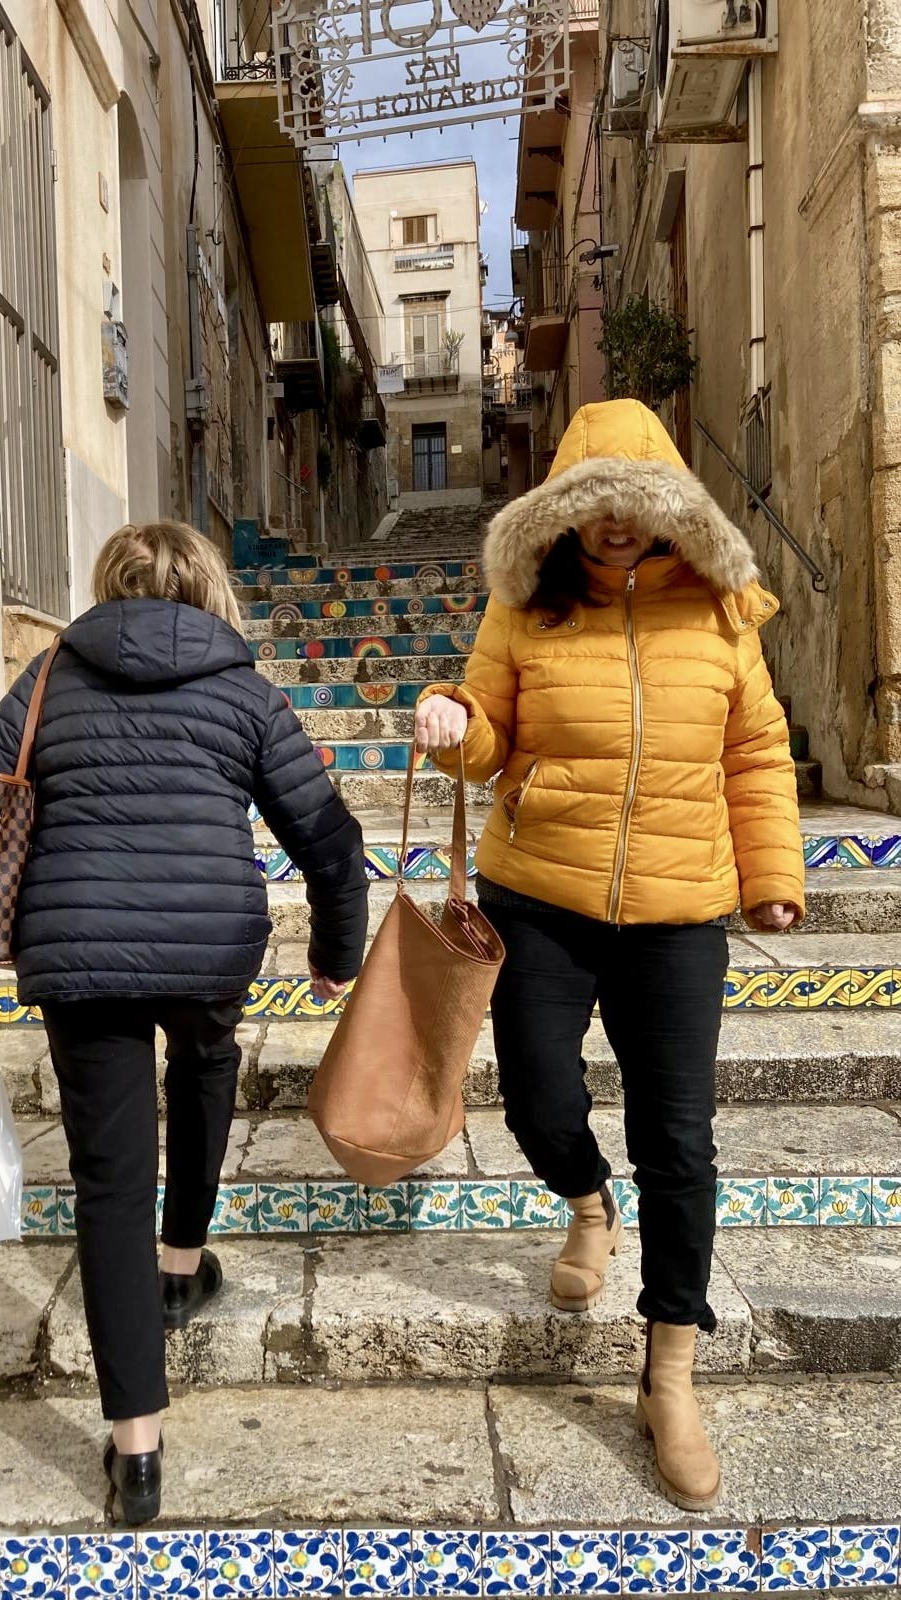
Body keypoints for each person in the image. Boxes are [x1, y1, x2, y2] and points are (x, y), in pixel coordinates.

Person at [0, 521, 368, 1525]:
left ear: (108, 585)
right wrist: (336, 953)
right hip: (209, 942)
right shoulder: (245, 690)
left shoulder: (46, 678)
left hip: (78, 949)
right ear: (209, 587)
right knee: (207, 1056)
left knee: (108, 1187)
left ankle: (137, 1456)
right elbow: (330, 838)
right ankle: (182, 1264)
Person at [415, 399, 804, 1513]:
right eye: (594, 508)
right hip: (540, 892)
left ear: (669, 509)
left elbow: (757, 745)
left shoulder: (725, 611)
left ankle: (669, 1370)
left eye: (637, 507)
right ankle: (587, 1199)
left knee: (679, 1139)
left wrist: (773, 873)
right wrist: (453, 722)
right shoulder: (527, 604)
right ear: (563, 514)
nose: (617, 526)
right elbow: (486, 733)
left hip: (682, 910)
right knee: (538, 1097)